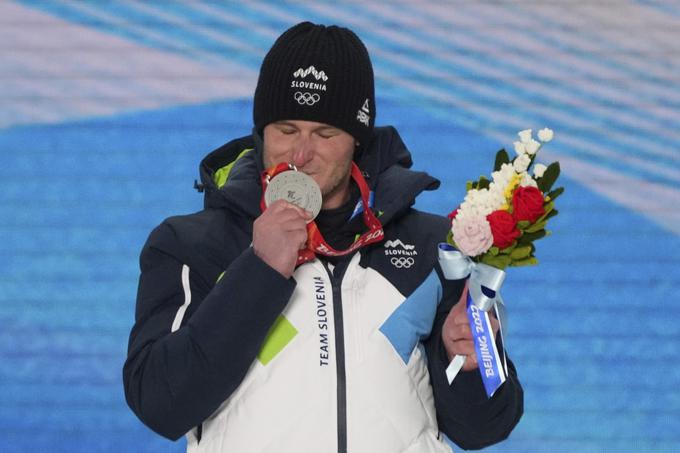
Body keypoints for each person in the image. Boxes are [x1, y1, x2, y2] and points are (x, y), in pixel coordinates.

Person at [123, 22, 523, 453]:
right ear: (262, 132)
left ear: (357, 139)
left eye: (325, 133)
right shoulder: (191, 244)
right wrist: (258, 271)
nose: (300, 154)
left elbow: (487, 427)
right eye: (286, 130)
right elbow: (160, 404)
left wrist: (468, 364)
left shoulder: (433, 245)